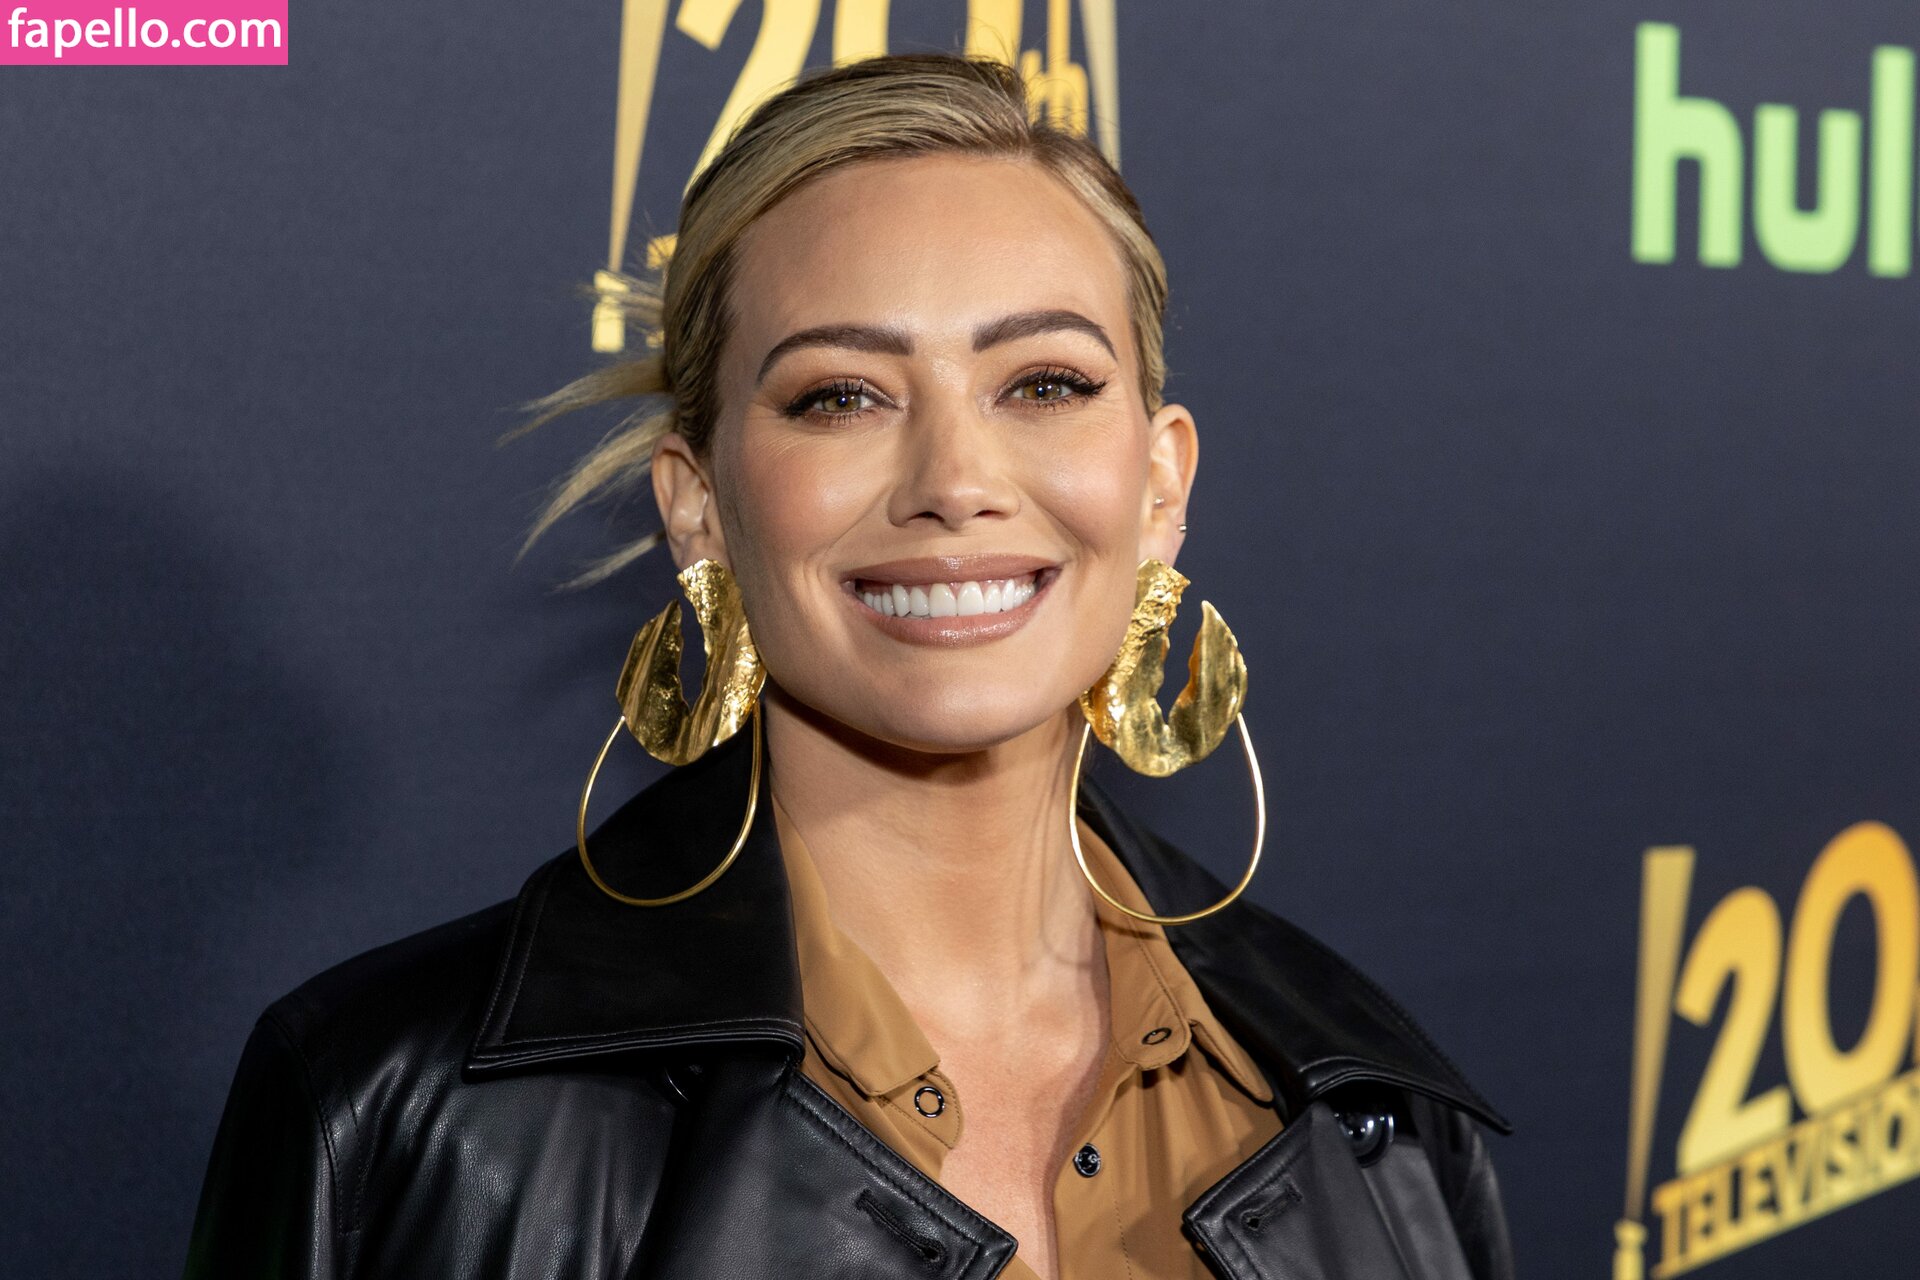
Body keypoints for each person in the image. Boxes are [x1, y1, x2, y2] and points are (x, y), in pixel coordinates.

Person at [184, 53, 1513, 1280]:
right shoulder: (397, 1112)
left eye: (1044, 384)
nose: (955, 481)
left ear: (1160, 484)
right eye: (841, 396)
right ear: (699, 505)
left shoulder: (1375, 1116)